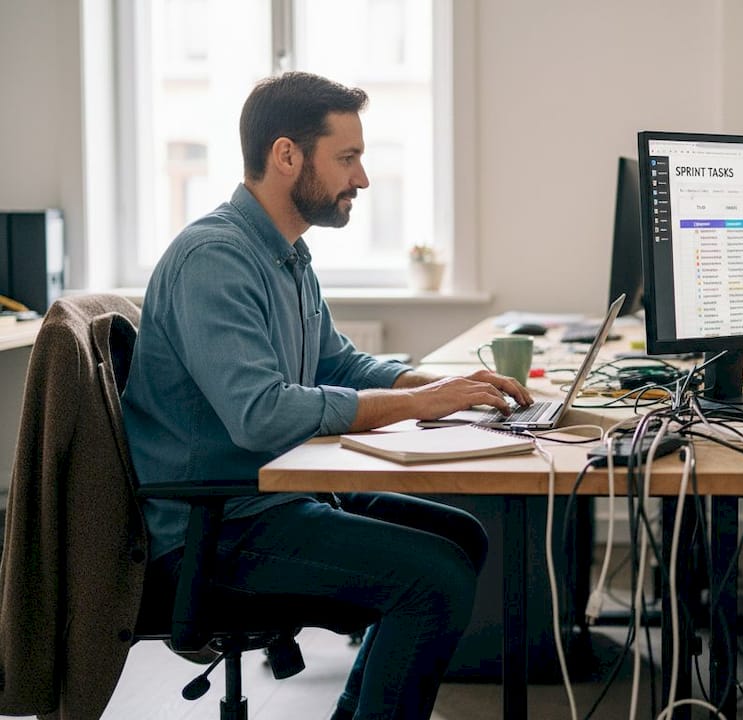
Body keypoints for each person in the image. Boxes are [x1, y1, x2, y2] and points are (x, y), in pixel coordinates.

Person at [122, 71, 532, 720]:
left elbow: (337, 361)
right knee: (434, 580)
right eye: (348, 158)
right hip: (217, 525)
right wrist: (421, 405)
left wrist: (440, 388)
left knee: (463, 536)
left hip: (275, 495)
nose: (362, 179)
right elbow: (262, 415)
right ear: (287, 156)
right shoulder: (215, 258)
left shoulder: (287, 255)